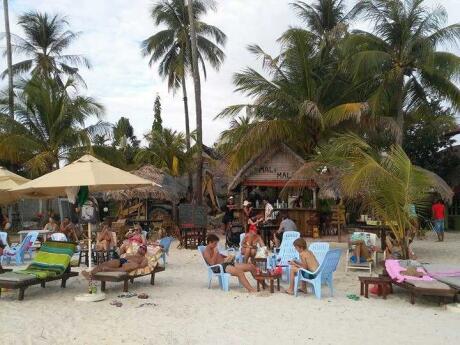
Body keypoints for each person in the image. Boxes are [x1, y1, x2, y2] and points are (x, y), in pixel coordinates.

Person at [81, 244, 148, 279]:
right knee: (105, 263)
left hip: (129, 265)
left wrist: (132, 263)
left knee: (133, 265)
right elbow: (122, 253)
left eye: (144, 249)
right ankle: (90, 274)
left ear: (145, 252)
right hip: (122, 260)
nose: (141, 249)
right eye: (141, 247)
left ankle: (109, 269)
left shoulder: (144, 259)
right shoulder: (132, 253)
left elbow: (141, 266)